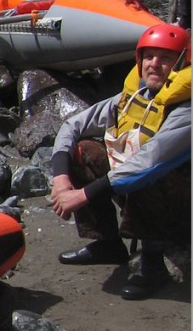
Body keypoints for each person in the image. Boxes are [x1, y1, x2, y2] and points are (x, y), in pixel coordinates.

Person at [49, 22, 190, 300]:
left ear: (182, 64)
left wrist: (83, 195)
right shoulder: (132, 96)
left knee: (148, 171)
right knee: (84, 150)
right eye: (148, 57)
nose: (154, 64)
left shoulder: (186, 109)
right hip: (141, 186)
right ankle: (107, 244)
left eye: (165, 59)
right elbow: (71, 125)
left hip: (180, 202)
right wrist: (61, 178)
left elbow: (148, 163)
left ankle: (153, 263)